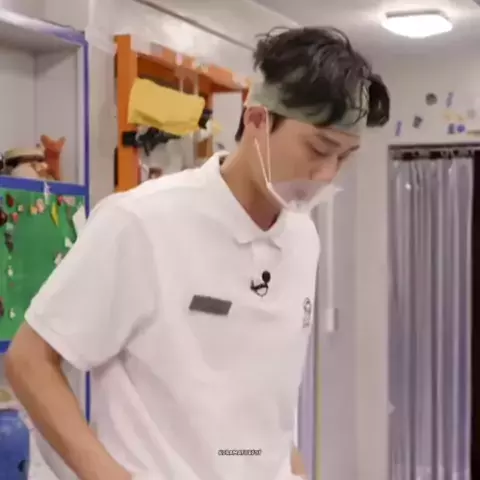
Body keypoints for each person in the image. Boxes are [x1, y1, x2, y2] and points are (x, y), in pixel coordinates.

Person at [5, 26, 389, 480]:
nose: (326, 174)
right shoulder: (142, 223)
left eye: (345, 157)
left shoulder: (303, 238)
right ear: (257, 120)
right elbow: (29, 361)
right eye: (319, 149)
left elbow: (262, 404)